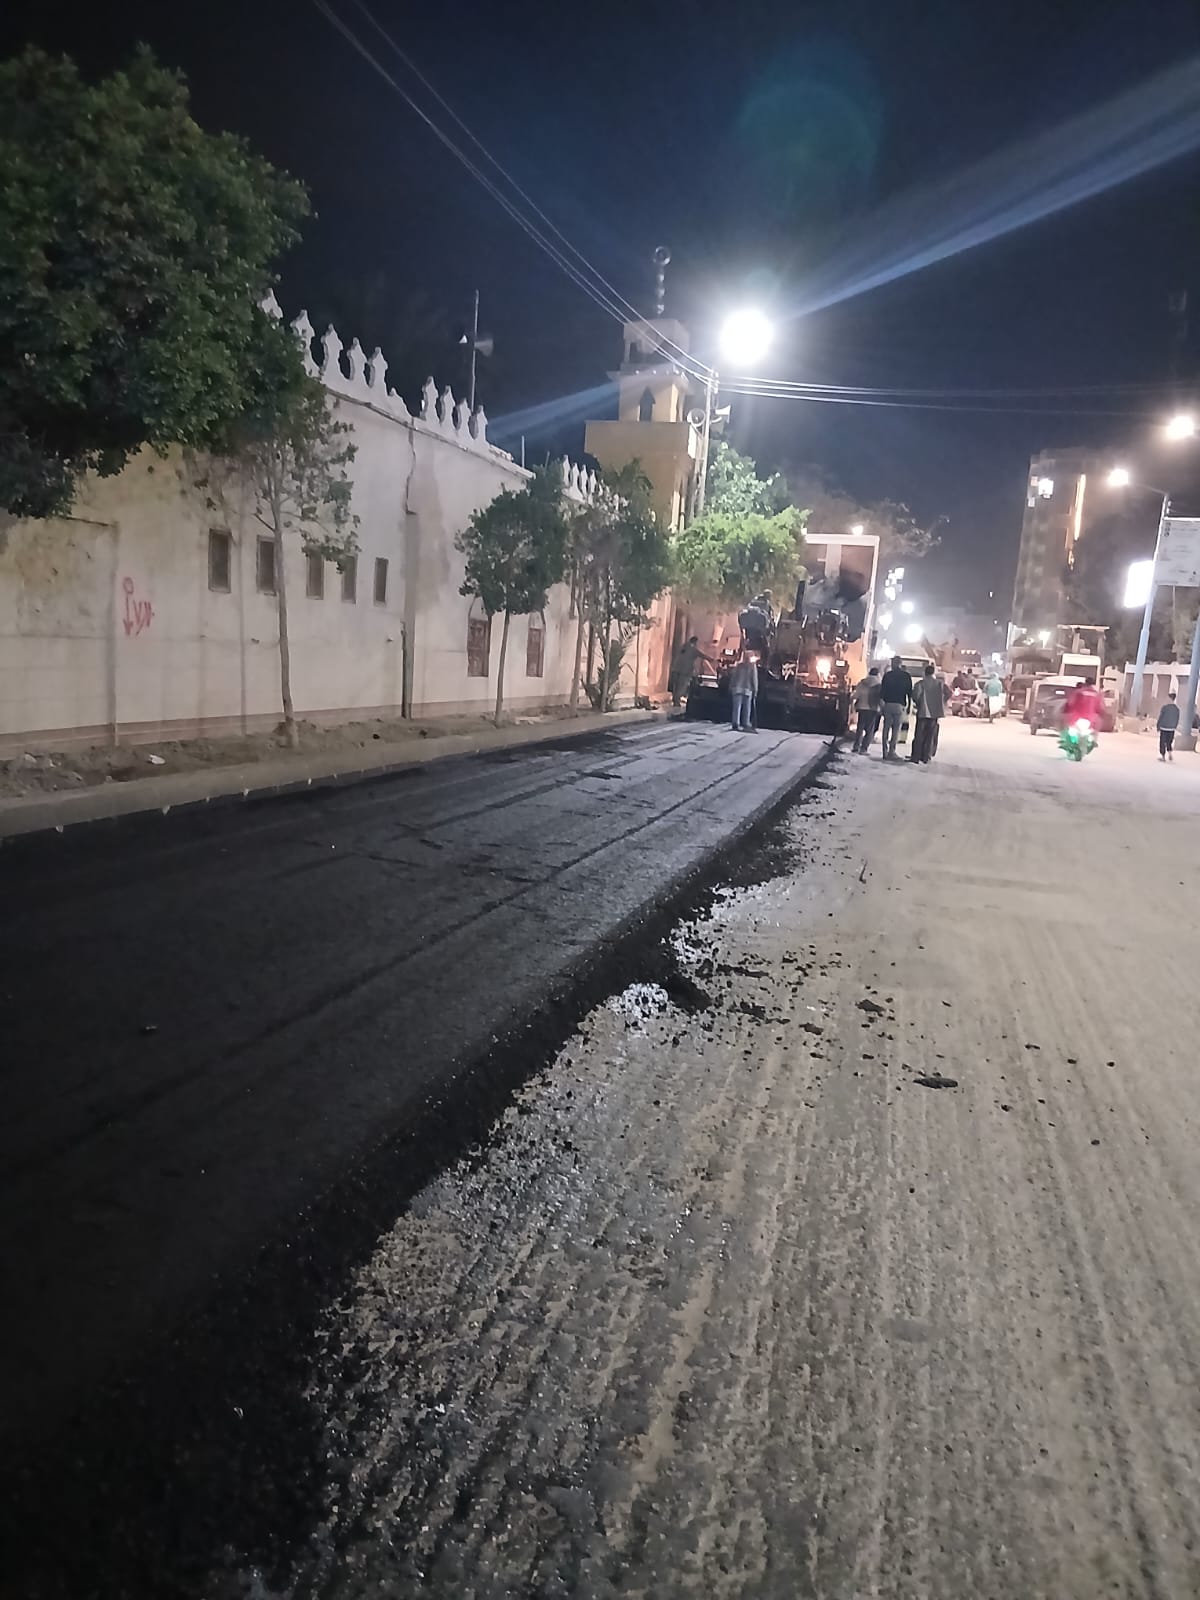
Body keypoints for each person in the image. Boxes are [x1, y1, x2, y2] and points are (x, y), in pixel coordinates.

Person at [909, 663, 947, 764]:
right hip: (934, 714)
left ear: (925, 673)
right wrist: (942, 702)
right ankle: (926, 756)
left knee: (919, 735)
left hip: (922, 712)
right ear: (933, 673)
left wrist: (919, 703)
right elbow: (949, 693)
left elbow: (915, 695)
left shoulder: (921, 683)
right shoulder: (940, 684)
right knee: (930, 736)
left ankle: (916, 756)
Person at [878, 655, 913, 761]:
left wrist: (881, 705)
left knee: (886, 728)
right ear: (900, 664)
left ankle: (884, 752)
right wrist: (909, 706)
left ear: (893, 664)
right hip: (899, 705)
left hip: (888, 704)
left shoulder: (887, 675)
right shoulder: (906, 676)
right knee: (896, 730)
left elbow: (882, 691)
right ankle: (891, 752)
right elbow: (909, 693)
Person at [668, 636, 710, 708]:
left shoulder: (683, 646)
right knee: (681, 687)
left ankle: (675, 700)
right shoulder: (693, 649)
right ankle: (676, 701)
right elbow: (703, 656)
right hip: (685, 671)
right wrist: (712, 659)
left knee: (676, 686)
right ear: (695, 642)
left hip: (676, 669)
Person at [851, 667, 882, 753]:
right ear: (877, 674)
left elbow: (856, 695)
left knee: (860, 728)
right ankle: (864, 749)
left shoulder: (862, 683)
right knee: (869, 730)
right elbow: (880, 698)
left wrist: (852, 698)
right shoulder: (879, 685)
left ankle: (856, 746)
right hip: (872, 709)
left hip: (861, 708)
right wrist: (881, 708)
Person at [730, 652, 758, 732]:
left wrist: (731, 686)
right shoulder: (752, 666)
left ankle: (736, 723)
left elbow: (733, 676)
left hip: (737, 688)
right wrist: (755, 689)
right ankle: (746, 723)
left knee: (737, 708)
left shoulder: (739, 666)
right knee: (747, 708)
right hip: (747, 689)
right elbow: (754, 679)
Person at [1157, 691, 1180, 761]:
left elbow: (1161, 717)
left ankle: (1163, 756)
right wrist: (1175, 726)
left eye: (1167, 698)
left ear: (1170, 698)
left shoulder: (1165, 708)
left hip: (1164, 728)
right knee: (1169, 742)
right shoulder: (1177, 709)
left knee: (1162, 742)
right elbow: (1177, 719)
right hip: (1172, 729)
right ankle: (1170, 754)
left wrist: (1158, 725)